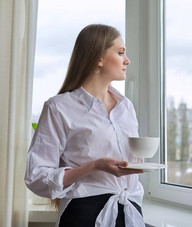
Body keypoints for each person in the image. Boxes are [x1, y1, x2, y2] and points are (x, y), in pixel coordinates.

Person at [25, 24, 146, 227]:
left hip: (129, 211)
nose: (127, 61)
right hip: (84, 215)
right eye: (120, 53)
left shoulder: (126, 107)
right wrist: (94, 166)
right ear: (99, 58)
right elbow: (36, 176)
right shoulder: (59, 108)